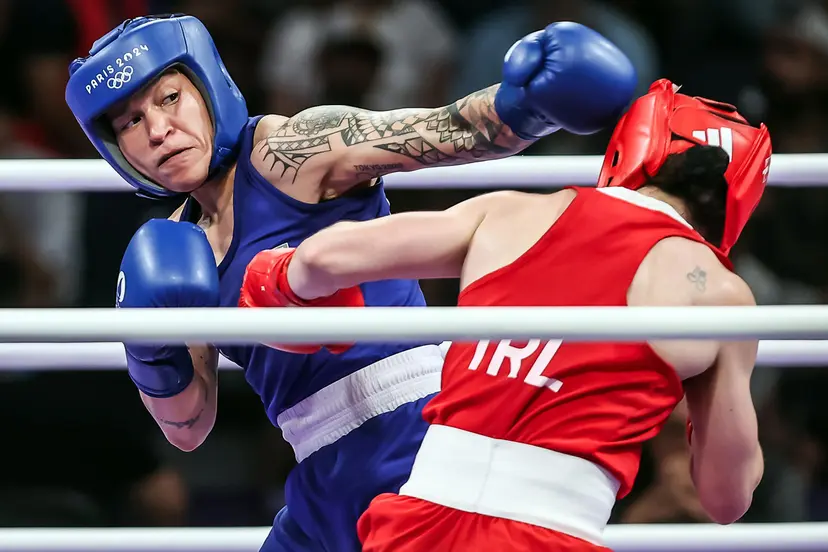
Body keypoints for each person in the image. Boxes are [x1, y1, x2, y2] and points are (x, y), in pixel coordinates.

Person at [64, 13, 636, 552]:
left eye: (169, 99)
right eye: (130, 122)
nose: (158, 131)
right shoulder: (173, 250)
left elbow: (453, 129)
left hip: (416, 430)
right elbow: (188, 427)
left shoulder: (289, 151)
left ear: (207, 87)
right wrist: (151, 352)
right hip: (318, 471)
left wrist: (525, 104)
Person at [246, 79, 771, 550]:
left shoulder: (514, 212)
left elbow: (321, 258)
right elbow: (726, 499)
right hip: (553, 535)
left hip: (416, 526)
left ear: (629, 147)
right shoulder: (720, 296)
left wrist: (283, 282)